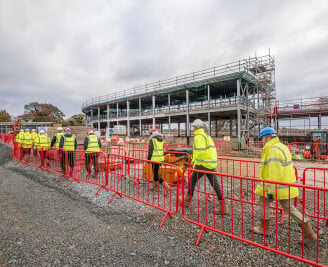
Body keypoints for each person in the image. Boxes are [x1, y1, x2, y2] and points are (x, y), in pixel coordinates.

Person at [253, 127, 316, 243]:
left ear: (267, 137)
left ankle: (264, 229)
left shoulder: (273, 150)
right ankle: (308, 232)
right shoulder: (281, 146)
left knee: (264, 203)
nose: (261, 141)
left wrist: (270, 191)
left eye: (262, 138)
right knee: (288, 208)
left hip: (277, 187)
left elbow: (274, 173)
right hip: (285, 186)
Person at [179, 119, 228, 214]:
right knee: (215, 184)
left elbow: (200, 152)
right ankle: (223, 207)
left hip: (202, 164)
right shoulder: (207, 136)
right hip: (210, 164)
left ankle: (187, 201)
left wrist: (195, 163)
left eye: (193, 127)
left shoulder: (199, 136)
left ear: (197, 127)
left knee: (192, 181)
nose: (192, 128)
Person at [147, 128, 171, 192]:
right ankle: (155, 186)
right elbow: (163, 149)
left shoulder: (153, 140)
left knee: (155, 174)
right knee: (155, 173)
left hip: (154, 159)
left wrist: (148, 159)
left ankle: (166, 186)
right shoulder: (162, 140)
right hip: (160, 159)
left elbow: (150, 151)